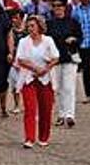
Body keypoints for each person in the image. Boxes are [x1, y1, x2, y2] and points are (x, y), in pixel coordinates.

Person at [14, 16, 59, 149]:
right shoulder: (23, 42)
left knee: (46, 108)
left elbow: (56, 57)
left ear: (39, 26)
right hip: (29, 78)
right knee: (30, 108)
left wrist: (45, 69)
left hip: (46, 78)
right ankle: (29, 137)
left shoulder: (48, 40)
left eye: (32, 26)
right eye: (28, 26)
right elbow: (20, 60)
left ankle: (43, 137)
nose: (30, 29)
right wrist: (36, 69)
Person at [46, 0, 83, 128]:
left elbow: (80, 38)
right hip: (55, 59)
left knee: (69, 87)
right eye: (54, 6)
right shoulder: (49, 24)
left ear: (65, 7)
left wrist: (74, 40)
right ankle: (61, 114)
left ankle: (70, 115)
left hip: (69, 57)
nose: (57, 8)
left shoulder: (73, 22)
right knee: (57, 88)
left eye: (59, 6)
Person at [6, 10, 27, 114]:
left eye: (16, 18)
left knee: (27, 85)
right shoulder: (9, 32)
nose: (14, 20)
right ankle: (17, 104)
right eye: (13, 18)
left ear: (21, 19)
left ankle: (28, 104)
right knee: (14, 85)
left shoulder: (27, 32)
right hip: (13, 62)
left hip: (26, 62)